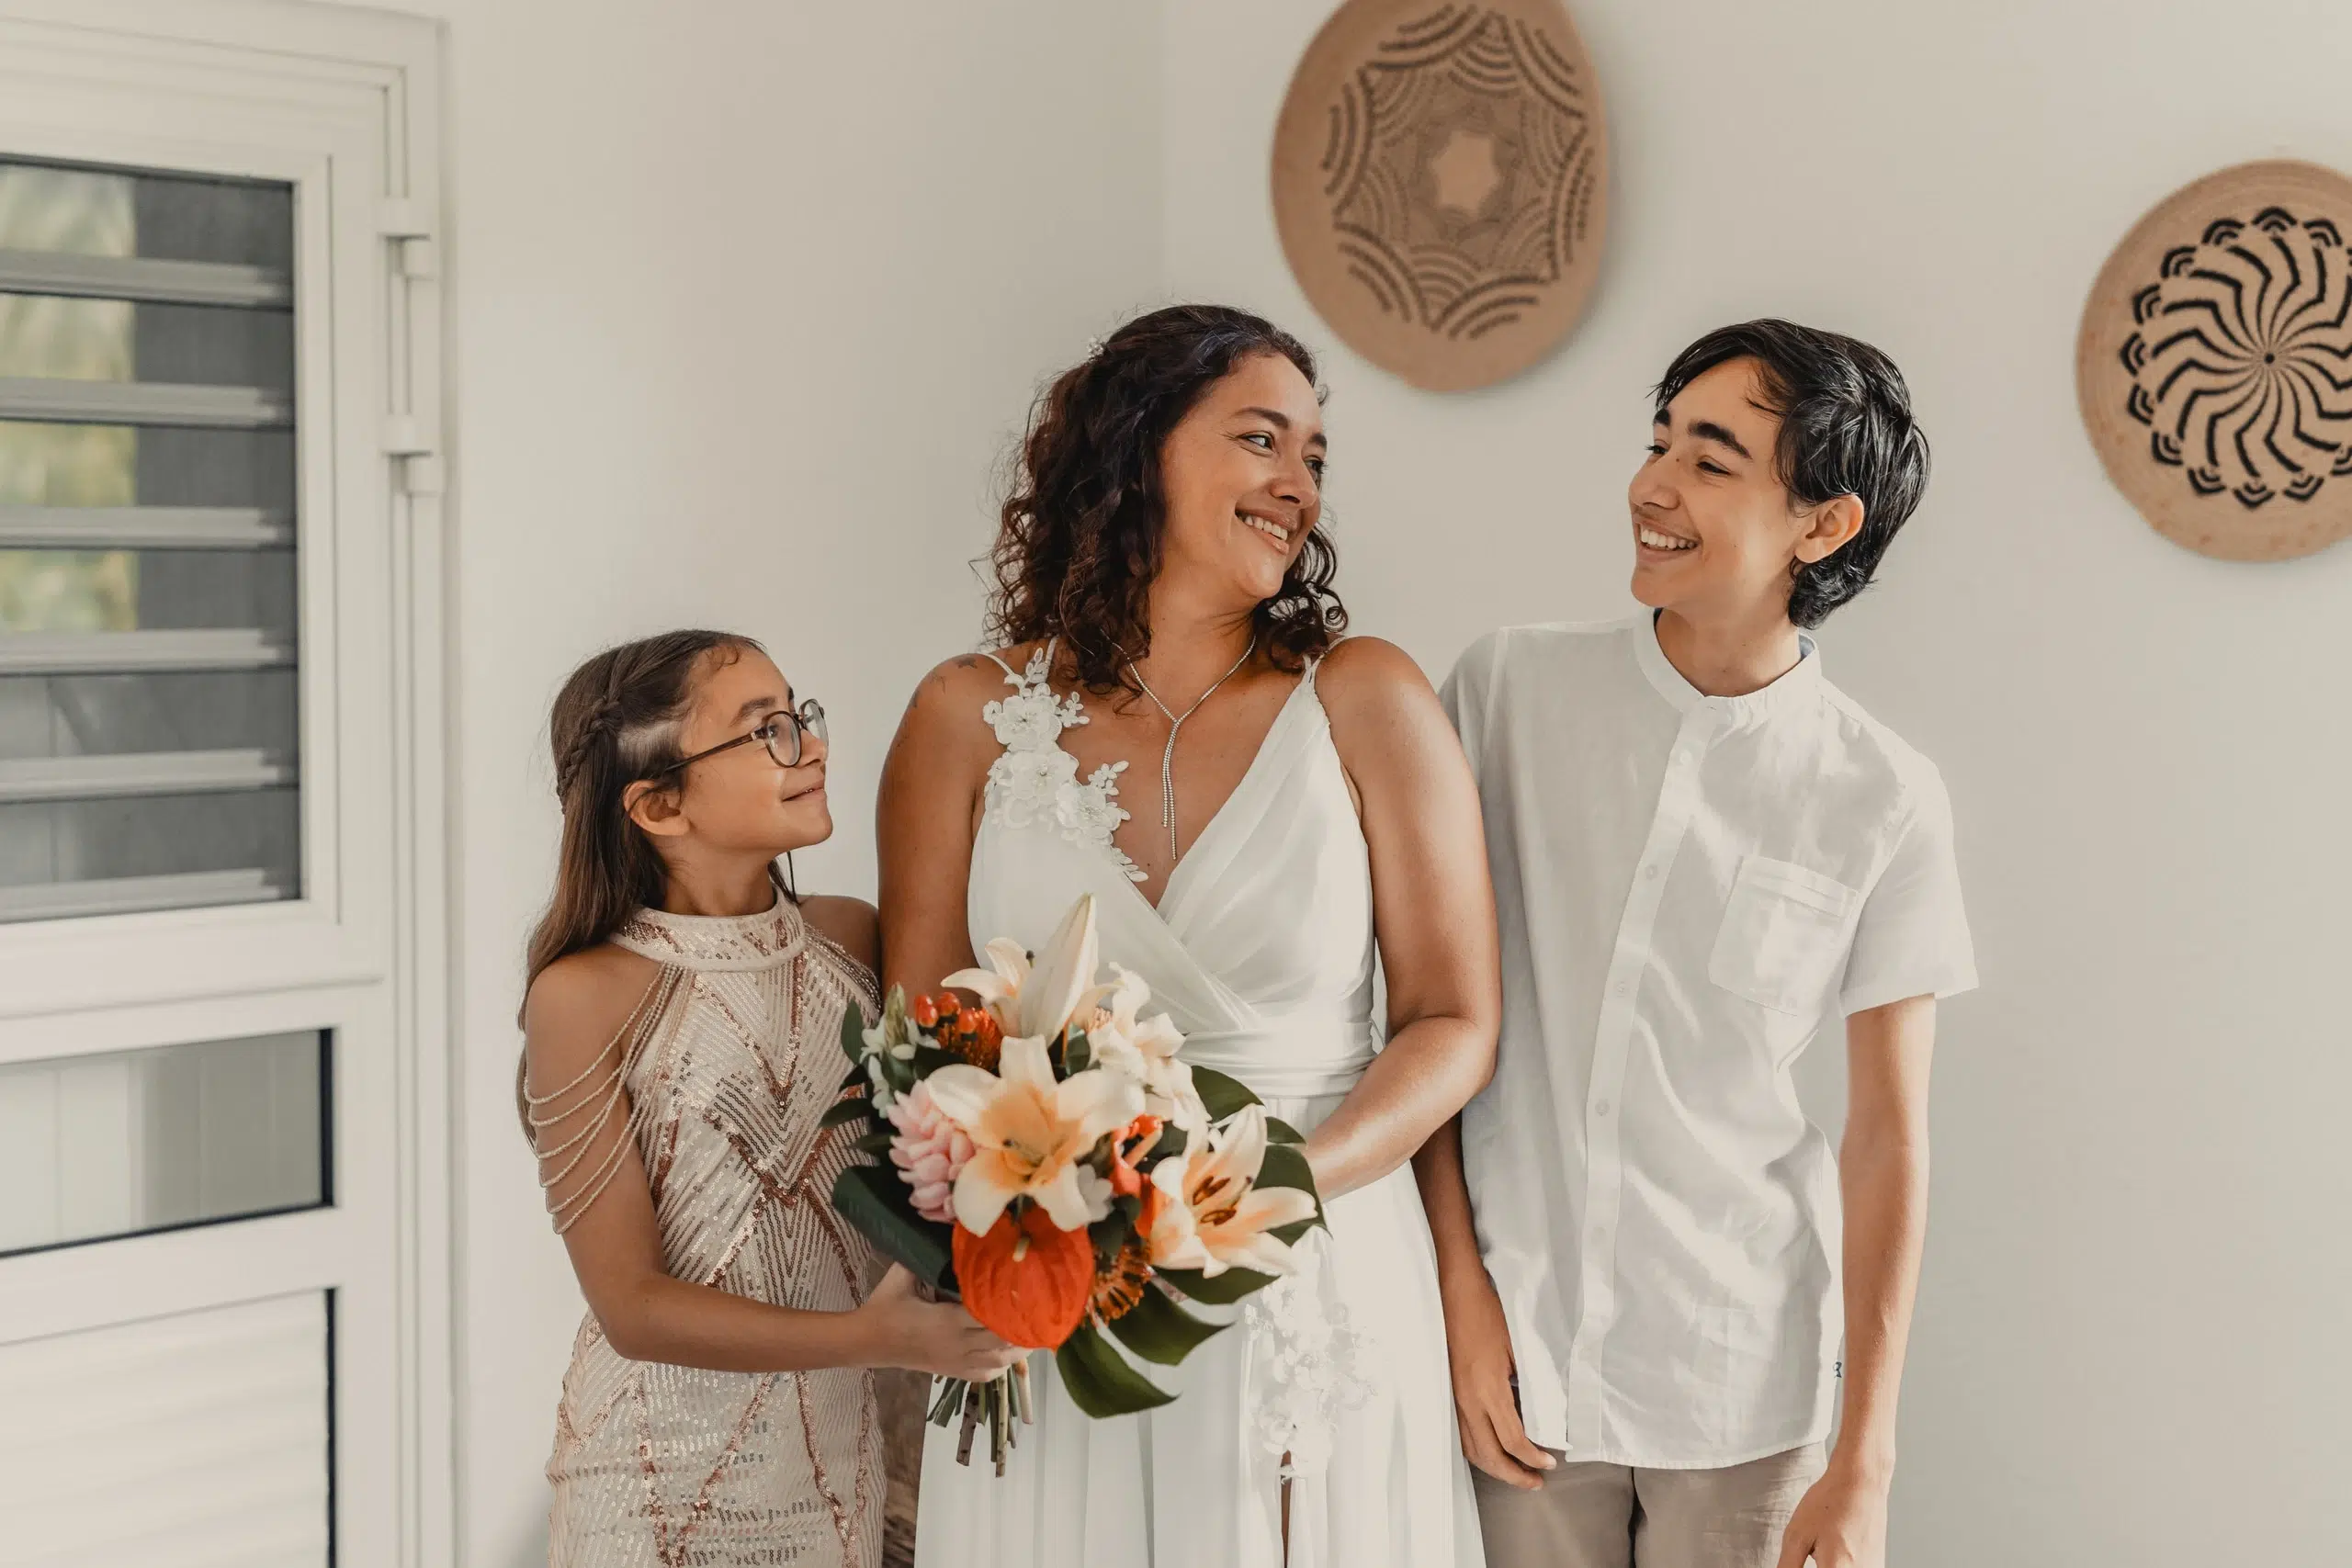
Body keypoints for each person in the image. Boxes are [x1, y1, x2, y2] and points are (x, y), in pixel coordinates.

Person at [879, 304, 1499, 1568]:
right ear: (1140, 449)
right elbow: (921, 1042)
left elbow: (1454, 1019)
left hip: (1313, 1256)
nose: (1298, 483)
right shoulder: (965, 714)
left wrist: (1279, 1189)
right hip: (1058, 1277)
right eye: (1262, 438)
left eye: (1316, 457)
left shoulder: (1367, 693)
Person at [1424, 321, 1979, 1568]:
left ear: (1822, 526)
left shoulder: (1882, 792)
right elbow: (1416, 1015)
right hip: (1517, 1359)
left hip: (1742, 1386)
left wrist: (1866, 1453)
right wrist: (1458, 1297)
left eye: (1712, 458)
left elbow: (1890, 1136)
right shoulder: (1503, 694)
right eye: (1659, 439)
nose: (1652, 484)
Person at [521, 629, 1020, 1567]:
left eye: (803, 715)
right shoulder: (583, 996)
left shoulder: (850, 941)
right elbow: (629, 1305)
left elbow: (941, 1137)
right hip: (663, 1490)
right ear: (659, 803)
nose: (813, 745)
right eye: (767, 731)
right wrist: (868, 1337)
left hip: (853, 1467)